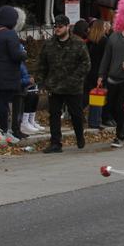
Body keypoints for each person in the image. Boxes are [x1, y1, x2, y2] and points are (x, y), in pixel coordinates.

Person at [38, 14, 91, 153]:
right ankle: (55, 143)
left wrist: (75, 78)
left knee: (76, 114)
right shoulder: (49, 44)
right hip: (55, 86)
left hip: (73, 87)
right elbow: (42, 64)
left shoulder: (78, 43)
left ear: (68, 27)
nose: (57, 29)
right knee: (54, 114)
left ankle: (79, 136)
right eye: (56, 26)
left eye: (60, 26)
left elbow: (86, 64)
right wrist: (41, 82)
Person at [0, 6, 26, 144]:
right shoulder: (10, 34)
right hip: (7, 74)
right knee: (3, 102)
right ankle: (3, 130)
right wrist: (23, 54)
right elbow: (16, 55)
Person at [97, 27, 124, 149]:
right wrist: (101, 75)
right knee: (111, 107)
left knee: (121, 108)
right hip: (112, 78)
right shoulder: (113, 37)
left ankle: (119, 136)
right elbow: (106, 57)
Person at [84, 19, 109, 130]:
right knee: (97, 98)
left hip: (89, 72)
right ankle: (95, 121)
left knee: (88, 95)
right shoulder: (104, 41)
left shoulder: (90, 41)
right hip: (99, 72)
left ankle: (89, 119)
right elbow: (106, 58)